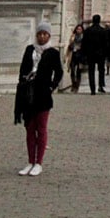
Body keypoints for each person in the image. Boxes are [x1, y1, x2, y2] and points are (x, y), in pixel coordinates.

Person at [13, 21, 63, 176]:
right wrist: (22, 81)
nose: (42, 36)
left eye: (45, 34)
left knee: (41, 129)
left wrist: (51, 87)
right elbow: (23, 68)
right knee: (29, 129)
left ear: (49, 35)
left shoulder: (53, 53)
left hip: (43, 95)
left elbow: (59, 72)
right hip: (28, 94)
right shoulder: (29, 50)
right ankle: (30, 161)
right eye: (40, 33)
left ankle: (39, 162)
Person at [84, 14, 107, 94]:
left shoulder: (87, 30)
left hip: (90, 53)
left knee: (91, 70)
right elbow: (105, 43)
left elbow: (85, 43)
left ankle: (92, 88)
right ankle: (101, 86)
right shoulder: (103, 31)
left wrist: (84, 53)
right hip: (101, 53)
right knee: (101, 70)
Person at [64, 24, 85, 93]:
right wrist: (72, 45)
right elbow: (69, 45)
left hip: (80, 55)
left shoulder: (84, 37)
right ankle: (73, 84)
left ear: (82, 30)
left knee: (78, 71)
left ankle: (77, 86)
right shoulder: (73, 36)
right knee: (72, 70)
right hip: (73, 55)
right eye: (77, 29)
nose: (78, 30)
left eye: (80, 29)